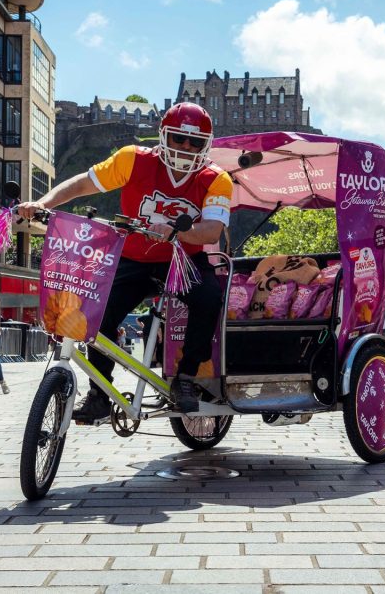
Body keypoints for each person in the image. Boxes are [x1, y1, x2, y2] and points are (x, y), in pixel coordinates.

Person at [16, 102, 231, 421]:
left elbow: (213, 229)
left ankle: (186, 380)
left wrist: (175, 231)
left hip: (181, 261)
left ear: (206, 145)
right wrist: (42, 203)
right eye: (178, 139)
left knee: (210, 298)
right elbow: (81, 183)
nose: (186, 147)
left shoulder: (216, 179)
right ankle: (100, 395)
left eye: (195, 142)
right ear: (163, 137)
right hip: (131, 257)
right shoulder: (133, 159)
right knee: (94, 317)